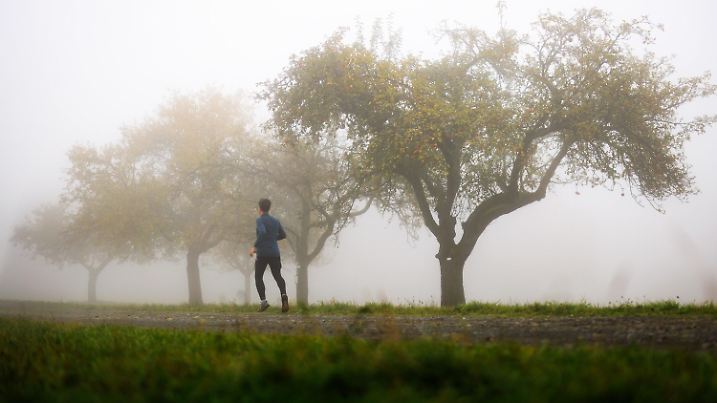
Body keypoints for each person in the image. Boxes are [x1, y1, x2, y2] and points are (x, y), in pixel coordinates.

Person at [249, 198, 289, 313]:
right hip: (274, 253)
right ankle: (284, 295)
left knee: (258, 277)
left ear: (259, 208)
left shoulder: (260, 220)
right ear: (269, 208)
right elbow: (283, 234)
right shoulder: (275, 221)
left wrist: (254, 246)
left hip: (262, 254)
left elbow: (262, 232)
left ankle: (263, 302)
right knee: (277, 275)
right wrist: (272, 239)